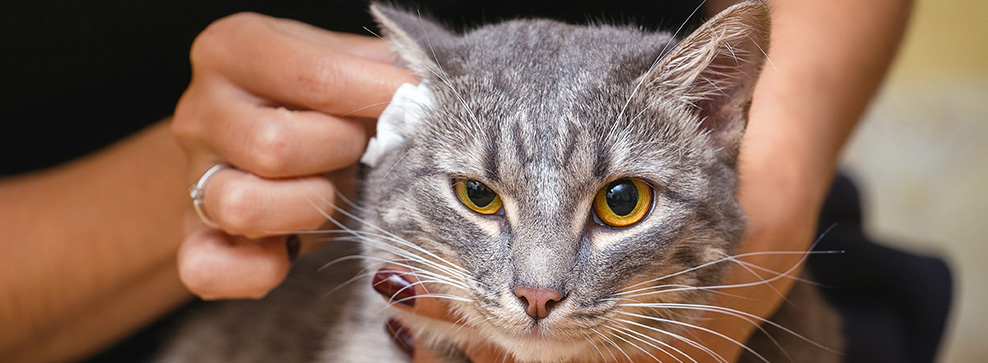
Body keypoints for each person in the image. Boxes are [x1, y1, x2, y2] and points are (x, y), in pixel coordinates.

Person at [0, 0, 917, 362]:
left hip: (746, 263)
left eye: (618, 203)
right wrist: (220, 184)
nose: (539, 287)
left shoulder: (730, 155)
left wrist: (780, 170)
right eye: (484, 197)